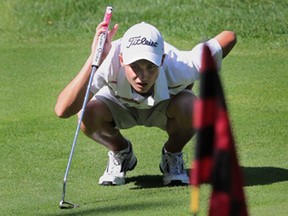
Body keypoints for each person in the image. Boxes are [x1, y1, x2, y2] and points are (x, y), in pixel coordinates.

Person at [54, 21, 236, 186]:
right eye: (135, 67)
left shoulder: (181, 65)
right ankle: (121, 152)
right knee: (85, 113)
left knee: (194, 108)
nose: (143, 77)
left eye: (150, 67)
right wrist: (93, 58)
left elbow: (229, 37)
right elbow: (63, 110)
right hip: (118, 105)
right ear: (122, 59)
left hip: (165, 106)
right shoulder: (107, 60)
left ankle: (172, 154)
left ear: (162, 60)